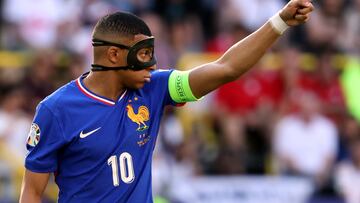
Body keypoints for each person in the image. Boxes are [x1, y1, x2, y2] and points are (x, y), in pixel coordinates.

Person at [19, 0, 314, 202]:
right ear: (113, 55)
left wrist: (280, 22)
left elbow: (227, 68)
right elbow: (32, 192)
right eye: (144, 54)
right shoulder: (56, 110)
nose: (153, 64)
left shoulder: (154, 87)